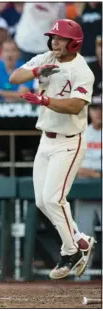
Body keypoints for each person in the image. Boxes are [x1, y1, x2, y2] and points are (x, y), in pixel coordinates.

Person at [9, 19, 96, 279]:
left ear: (74, 42)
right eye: (53, 37)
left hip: (69, 140)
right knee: (41, 201)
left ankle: (71, 252)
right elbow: (15, 77)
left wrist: (45, 99)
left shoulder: (83, 71)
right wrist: (37, 72)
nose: (55, 42)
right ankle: (80, 241)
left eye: (60, 38)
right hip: (46, 139)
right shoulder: (47, 57)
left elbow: (75, 106)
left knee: (53, 199)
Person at [74, 101, 101, 280]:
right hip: (84, 191)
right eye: (95, 108)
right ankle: (80, 280)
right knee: (82, 236)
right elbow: (74, 166)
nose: (99, 112)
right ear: (89, 111)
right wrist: (97, 174)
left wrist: (89, 172)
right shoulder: (81, 133)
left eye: (102, 109)